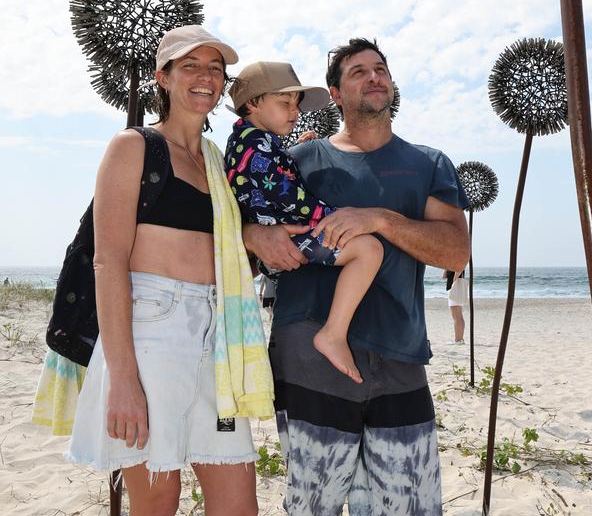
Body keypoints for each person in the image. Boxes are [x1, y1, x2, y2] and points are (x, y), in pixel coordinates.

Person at [241, 37, 470, 516]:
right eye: (358, 71)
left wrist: (381, 219)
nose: (374, 76)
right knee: (312, 507)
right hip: (308, 354)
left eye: (380, 68)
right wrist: (250, 236)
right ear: (336, 93)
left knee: (410, 506)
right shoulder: (298, 161)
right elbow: (237, 215)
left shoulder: (428, 163)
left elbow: (455, 252)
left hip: (400, 352)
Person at [64, 26, 273, 516]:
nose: (205, 77)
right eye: (191, 66)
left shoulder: (217, 161)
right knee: (157, 499)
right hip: (151, 326)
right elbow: (108, 260)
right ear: (164, 77)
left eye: (215, 69)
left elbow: (229, 239)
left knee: (239, 505)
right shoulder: (134, 146)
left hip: (216, 333)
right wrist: (122, 380)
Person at [224, 61, 383, 383]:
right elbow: (284, 194)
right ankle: (333, 334)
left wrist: (290, 150)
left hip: (275, 234)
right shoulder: (258, 146)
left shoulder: (251, 141)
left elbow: (263, 178)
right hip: (288, 234)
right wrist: (331, 216)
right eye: (284, 104)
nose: (294, 112)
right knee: (368, 249)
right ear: (253, 104)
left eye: (296, 105)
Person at [444, 269, 468, 344]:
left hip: (455, 289)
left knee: (457, 316)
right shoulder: (452, 262)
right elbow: (444, 276)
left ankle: (458, 340)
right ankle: (460, 339)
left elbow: (459, 269)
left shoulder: (458, 259)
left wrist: (453, 283)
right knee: (458, 315)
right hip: (455, 289)